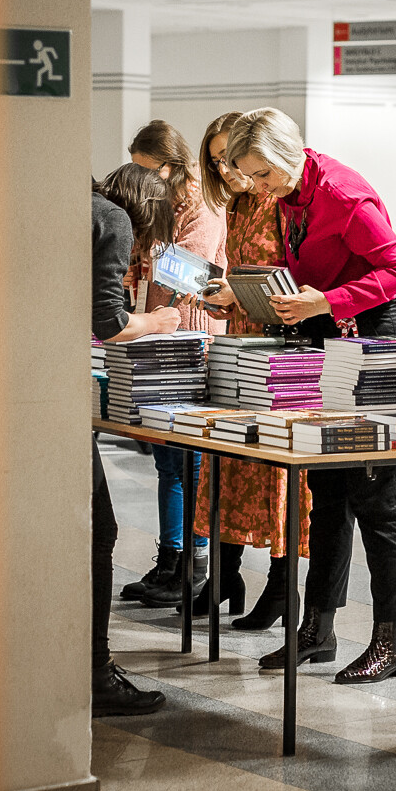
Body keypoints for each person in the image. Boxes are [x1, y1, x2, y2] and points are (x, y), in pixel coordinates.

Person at [207, 108, 396, 684]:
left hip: (377, 339)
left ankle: (391, 641)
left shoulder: (344, 196)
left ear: (290, 154)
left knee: (376, 497)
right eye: (250, 176)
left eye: (264, 174)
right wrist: (243, 294)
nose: (259, 187)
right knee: (325, 491)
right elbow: (299, 267)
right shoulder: (291, 194)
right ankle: (317, 630)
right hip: (330, 336)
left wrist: (326, 301)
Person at [184, 112, 311, 628]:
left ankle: (282, 588)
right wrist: (223, 294)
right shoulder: (237, 205)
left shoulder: (279, 199)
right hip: (241, 341)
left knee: (277, 468)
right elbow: (244, 275)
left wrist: (240, 295)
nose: (228, 171)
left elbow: (293, 278)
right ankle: (224, 575)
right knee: (229, 460)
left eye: (231, 160)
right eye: (217, 161)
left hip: (279, 347)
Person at [90, 164, 185, 716]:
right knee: (98, 530)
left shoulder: (81, 206)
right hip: (45, 397)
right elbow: (109, 322)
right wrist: (157, 322)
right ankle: (94, 673)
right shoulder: (114, 220)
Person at [121, 120, 228, 608]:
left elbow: (186, 272)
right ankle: (170, 559)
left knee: (189, 460)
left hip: (191, 337)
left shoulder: (201, 204)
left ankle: (192, 562)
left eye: (149, 170)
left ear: (170, 165)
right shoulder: (160, 201)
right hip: (159, 333)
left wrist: (144, 313)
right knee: (167, 458)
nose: (144, 180)